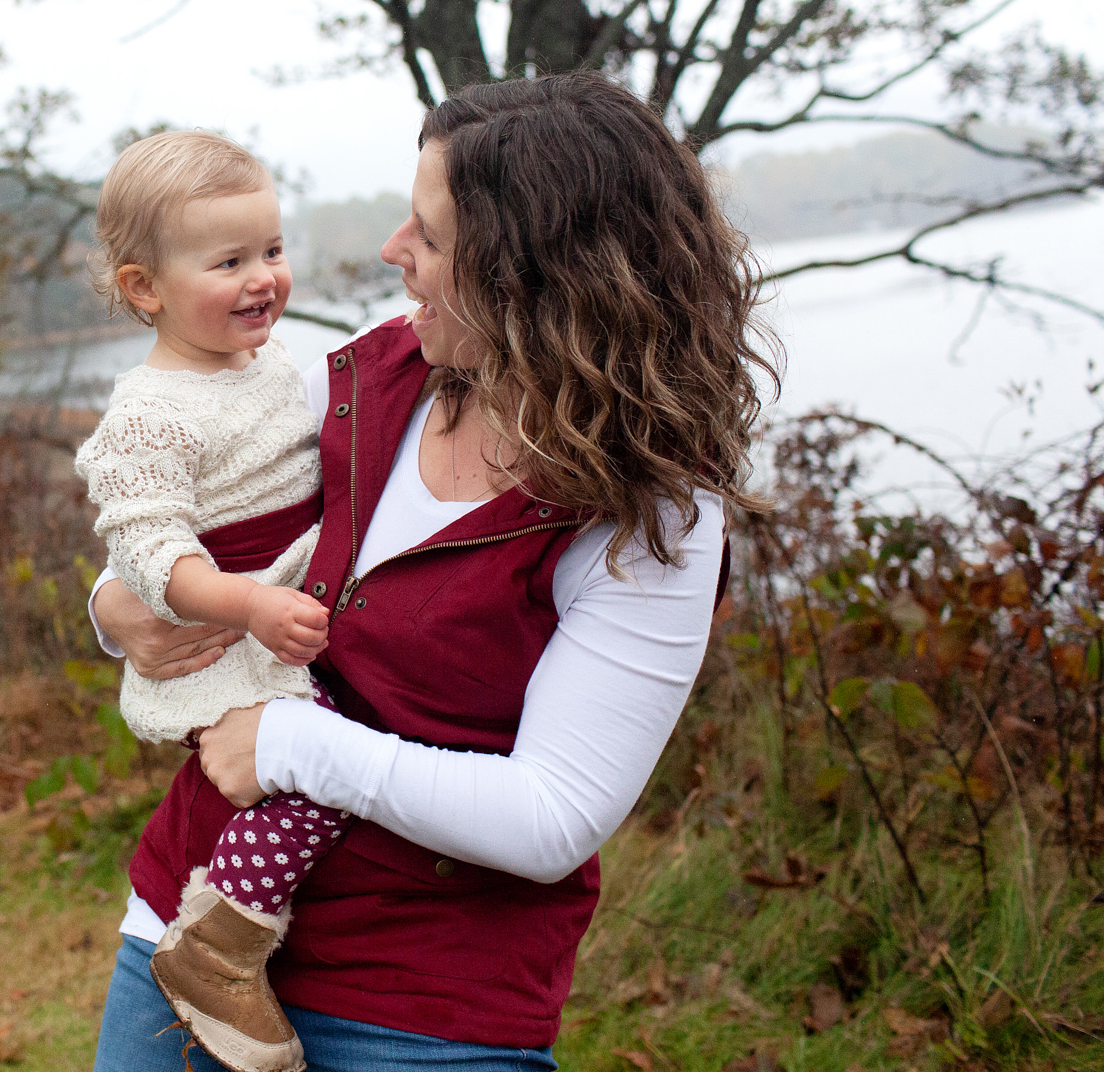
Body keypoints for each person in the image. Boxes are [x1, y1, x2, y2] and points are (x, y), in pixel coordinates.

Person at [88, 75, 778, 1072]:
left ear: (528, 274)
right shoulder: (377, 378)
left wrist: (288, 742)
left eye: (427, 234)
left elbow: (551, 817)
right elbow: (195, 516)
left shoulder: (652, 516)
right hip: (180, 930)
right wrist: (114, 609)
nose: (389, 252)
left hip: (416, 1008)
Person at [74, 129, 351, 1072]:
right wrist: (244, 606)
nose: (261, 278)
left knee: (329, 764)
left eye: (271, 251)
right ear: (145, 287)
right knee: (310, 776)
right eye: (228, 261)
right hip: (230, 642)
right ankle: (222, 944)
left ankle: (219, 936)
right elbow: (151, 550)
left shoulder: (276, 370)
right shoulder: (149, 411)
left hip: (272, 623)